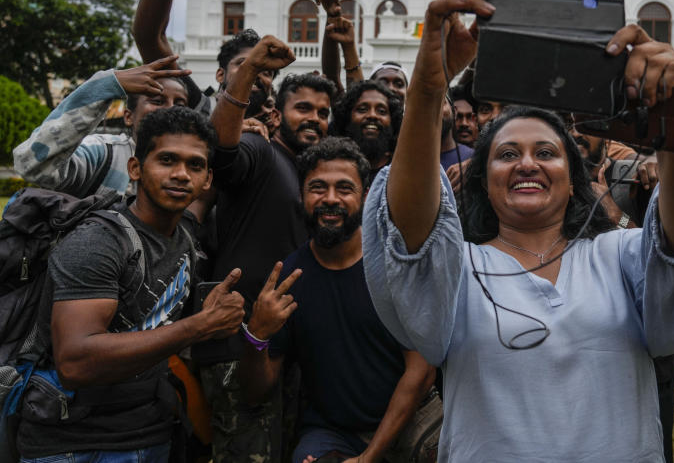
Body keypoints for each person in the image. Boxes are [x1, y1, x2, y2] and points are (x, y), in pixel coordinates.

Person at [361, 0, 674, 461]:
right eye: (505, 154)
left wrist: (673, 119)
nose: (526, 163)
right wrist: (429, 90)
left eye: (546, 153)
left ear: (573, 181)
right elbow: (410, 227)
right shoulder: (460, 268)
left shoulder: (618, 257)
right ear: (482, 179)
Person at [15, 107, 245, 462]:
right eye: (167, 160)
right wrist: (198, 326)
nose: (181, 174)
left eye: (195, 165)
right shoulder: (99, 242)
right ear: (135, 168)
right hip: (75, 446)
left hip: (149, 432)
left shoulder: (184, 237)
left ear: (208, 179)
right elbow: (75, 363)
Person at [239, 138, 437, 463]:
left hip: (413, 415)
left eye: (344, 188)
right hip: (334, 431)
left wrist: (369, 457)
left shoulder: (394, 264)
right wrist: (256, 335)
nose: (330, 199)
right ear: (301, 195)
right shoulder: (290, 277)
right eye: (318, 187)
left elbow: (421, 372)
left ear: (366, 196)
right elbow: (255, 391)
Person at [197, 35, 336, 463]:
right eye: (304, 109)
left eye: (323, 113)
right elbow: (221, 150)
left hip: (283, 349)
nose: (314, 119)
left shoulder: (306, 173)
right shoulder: (260, 150)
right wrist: (249, 70)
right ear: (276, 114)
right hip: (236, 347)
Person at [132, 0, 278, 117]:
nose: (253, 72)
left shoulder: (285, 131)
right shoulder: (200, 111)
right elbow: (150, 38)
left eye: (265, 71)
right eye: (243, 64)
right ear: (220, 74)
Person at [13, 57, 190, 197]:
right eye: (157, 101)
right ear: (129, 117)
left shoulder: (193, 166)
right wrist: (108, 84)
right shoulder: (103, 153)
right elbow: (32, 163)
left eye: (180, 104)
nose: (170, 109)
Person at [330, 81, 403, 173]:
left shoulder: (402, 169)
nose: (372, 115)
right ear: (347, 117)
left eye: (381, 111)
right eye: (362, 109)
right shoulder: (332, 167)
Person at [315, 0, 363, 98]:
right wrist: (332, 17)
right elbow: (333, 83)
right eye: (383, 82)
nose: (391, 87)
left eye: (399, 83)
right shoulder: (358, 109)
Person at [439, 96, 473, 171]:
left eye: (440, 103)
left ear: (454, 112)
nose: (435, 110)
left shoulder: (473, 159)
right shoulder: (412, 158)